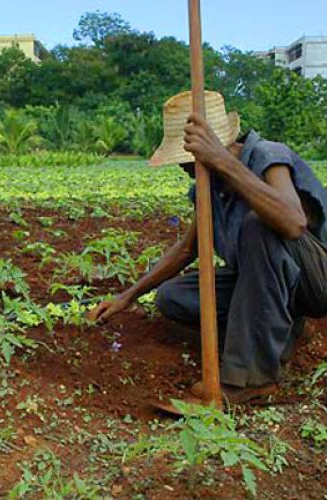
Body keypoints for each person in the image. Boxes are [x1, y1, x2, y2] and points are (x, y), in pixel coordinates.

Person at [88, 90, 327, 404]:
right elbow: (187, 249)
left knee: (258, 225)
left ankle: (249, 380)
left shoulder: (268, 156)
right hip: (264, 286)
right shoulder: (208, 187)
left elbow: (293, 222)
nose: (185, 169)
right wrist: (127, 296)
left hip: (315, 281)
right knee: (174, 297)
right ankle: (286, 331)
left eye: (188, 159)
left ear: (218, 145)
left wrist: (224, 162)